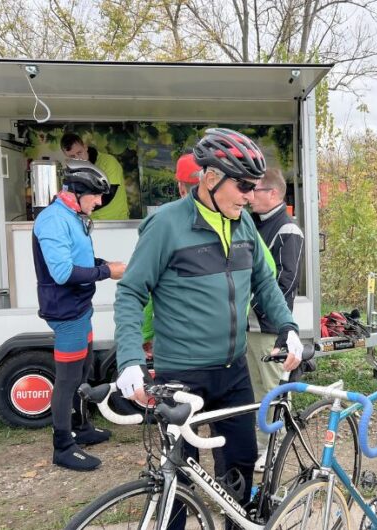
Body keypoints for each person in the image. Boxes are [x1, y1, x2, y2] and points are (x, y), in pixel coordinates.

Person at [114, 129, 303, 526]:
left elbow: (264, 282)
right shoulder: (166, 225)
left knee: (240, 463)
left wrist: (287, 326)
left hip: (233, 370)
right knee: (176, 475)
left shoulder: (243, 224)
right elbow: (131, 292)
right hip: (181, 374)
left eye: (254, 188)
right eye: (244, 186)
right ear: (212, 178)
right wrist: (130, 358)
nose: (251, 196)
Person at [32, 159, 126, 471]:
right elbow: (62, 272)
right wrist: (106, 271)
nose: (100, 202)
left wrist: (102, 262)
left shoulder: (73, 216)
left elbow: (78, 257)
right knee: (68, 378)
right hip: (66, 310)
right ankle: (63, 446)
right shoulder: (53, 220)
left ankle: (81, 428)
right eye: (96, 196)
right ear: (78, 192)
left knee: (84, 368)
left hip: (79, 308)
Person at [246, 167, 305, 471]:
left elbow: (285, 282)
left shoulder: (288, 229)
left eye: (254, 190)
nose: (248, 196)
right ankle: (261, 448)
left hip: (271, 329)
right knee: (256, 392)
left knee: (273, 392)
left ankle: (275, 450)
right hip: (250, 328)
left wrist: (249, 305)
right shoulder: (253, 223)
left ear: (272, 194)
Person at [140, 153, 203, 356]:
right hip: (220, 345)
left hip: (174, 344)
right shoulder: (233, 220)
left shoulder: (162, 223)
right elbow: (267, 269)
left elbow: (144, 288)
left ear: (180, 187)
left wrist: (145, 333)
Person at [60, 132, 130, 220]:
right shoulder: (72, 169)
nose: (77, 158)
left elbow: (109, 194)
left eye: (79, 152)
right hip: (89, 220)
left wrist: (80, 210)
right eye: (72, 156)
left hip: (114, 219)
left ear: (85, 147)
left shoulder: (108, 162)